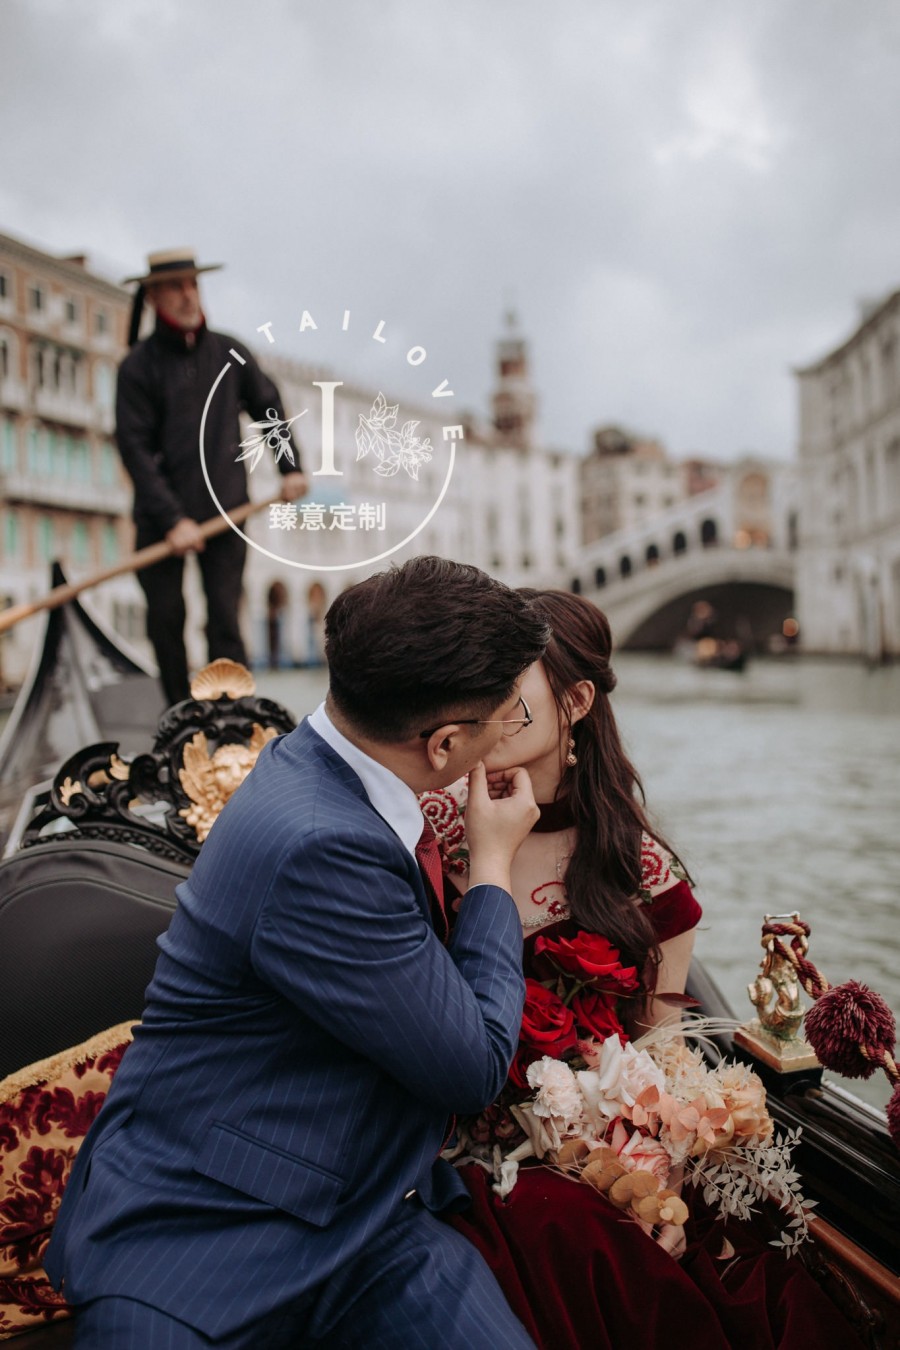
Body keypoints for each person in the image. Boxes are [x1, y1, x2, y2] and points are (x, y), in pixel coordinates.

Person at [45, 556, 550, 1349]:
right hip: (202, 1234)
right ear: (446, 743)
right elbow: (473, 1064)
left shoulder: (315, 762)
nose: (514, 728)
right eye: (509, 714)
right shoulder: (323, 844)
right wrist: (492, 867)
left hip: (364, 1214)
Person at [421, 589, 867, 1350]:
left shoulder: (645, 875)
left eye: (504, 687)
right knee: (564, 1232)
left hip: (591, 1151)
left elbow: (662, 1048)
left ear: (576, 702)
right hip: (451, 1143)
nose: (478, 709)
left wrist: (655, 1170)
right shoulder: (428, 828)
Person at [116, 248, 308, 706]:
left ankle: (232, 715)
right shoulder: (136, 368)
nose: (188, 295)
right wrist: (172, 520)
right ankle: (178, 714)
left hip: (226, 508)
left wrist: (291, 467)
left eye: (192, 284)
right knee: (165, 619)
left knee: (225, 617)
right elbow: (134, 449)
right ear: (153, 296)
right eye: (176, 286)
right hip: (159, 519)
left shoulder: (229, 352)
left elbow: (268, 409)